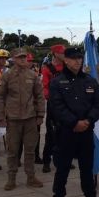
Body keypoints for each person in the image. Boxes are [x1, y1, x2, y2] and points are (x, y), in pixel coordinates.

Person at [49, 47, 99, 197]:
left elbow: (98, 104)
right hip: (66, 132)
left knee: (86, 169)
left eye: (80, 59)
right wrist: (74, 122)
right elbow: (56, 107)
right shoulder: (57, 82)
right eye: (74, 59)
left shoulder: (89, 81)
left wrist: (88, 121)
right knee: (63, 169)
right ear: (65, 60)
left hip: (86, 131)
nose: (78, 62)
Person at [0, 49, 46, 191]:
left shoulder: (33, 75)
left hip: (30, 118)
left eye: (24, 57)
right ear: (13, 59)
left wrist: (40, 115)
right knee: (12, 150)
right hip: (13, 119)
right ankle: (11, 178)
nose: (23, 60)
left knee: (30, 150)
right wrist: (1, 117)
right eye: (19, 57)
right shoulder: (7, 76)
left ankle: (31, 177)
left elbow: (40, 96)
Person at [41, 44, 65, 173]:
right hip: (53, 105)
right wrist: (51, 98)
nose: (64, 55)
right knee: (51, 134)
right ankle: (46, 161)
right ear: (55, 53)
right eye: (62, 52)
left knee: (65, 133)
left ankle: (63, 159)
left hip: (66, 105)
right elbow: (44, 86)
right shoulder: (47, 68)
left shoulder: (67, 67)